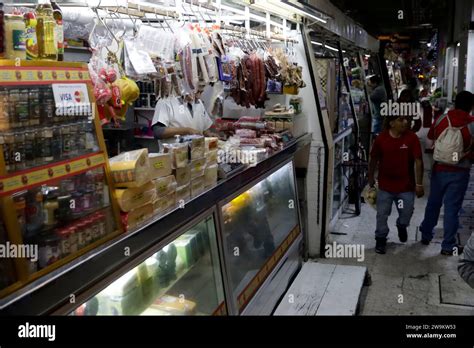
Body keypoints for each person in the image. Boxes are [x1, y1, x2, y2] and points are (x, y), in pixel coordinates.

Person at [419, 91, 474, 255]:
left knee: (433, 204)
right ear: (471, 106)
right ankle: (447, 246)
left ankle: (426, 234)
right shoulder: (472, 124)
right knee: (452, 209)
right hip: (460, 171)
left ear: (455, 103)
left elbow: (429, 140)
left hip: (439, 168)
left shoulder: (442, 119)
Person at [368, 115, 424, 254]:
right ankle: (380, 239)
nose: (405, 122)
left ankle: (401, 225)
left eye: (406, 119)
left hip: (405, 187)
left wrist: (419, 184)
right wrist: (370, 177)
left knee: (406, 212)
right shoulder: (381, 138)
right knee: (382, 214)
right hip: (385, 186)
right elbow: (374, 158)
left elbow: (418, 160)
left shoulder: (411, 138)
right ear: (392, 123)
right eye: (401, 119)